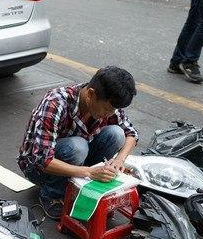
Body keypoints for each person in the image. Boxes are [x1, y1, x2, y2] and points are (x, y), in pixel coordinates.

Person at [17, 66, 138, 220]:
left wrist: (119, 159)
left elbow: (131, 134)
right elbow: (42, 160)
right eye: (107, 109)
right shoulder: (55, 103)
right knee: (77, 147)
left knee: (116, 134)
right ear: (90, 94)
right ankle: (51, 194)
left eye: (113, 110)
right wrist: (89, 172)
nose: (109, 114)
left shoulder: (107, 104)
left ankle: (83, 183)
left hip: (78, 160)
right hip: (38, 168)